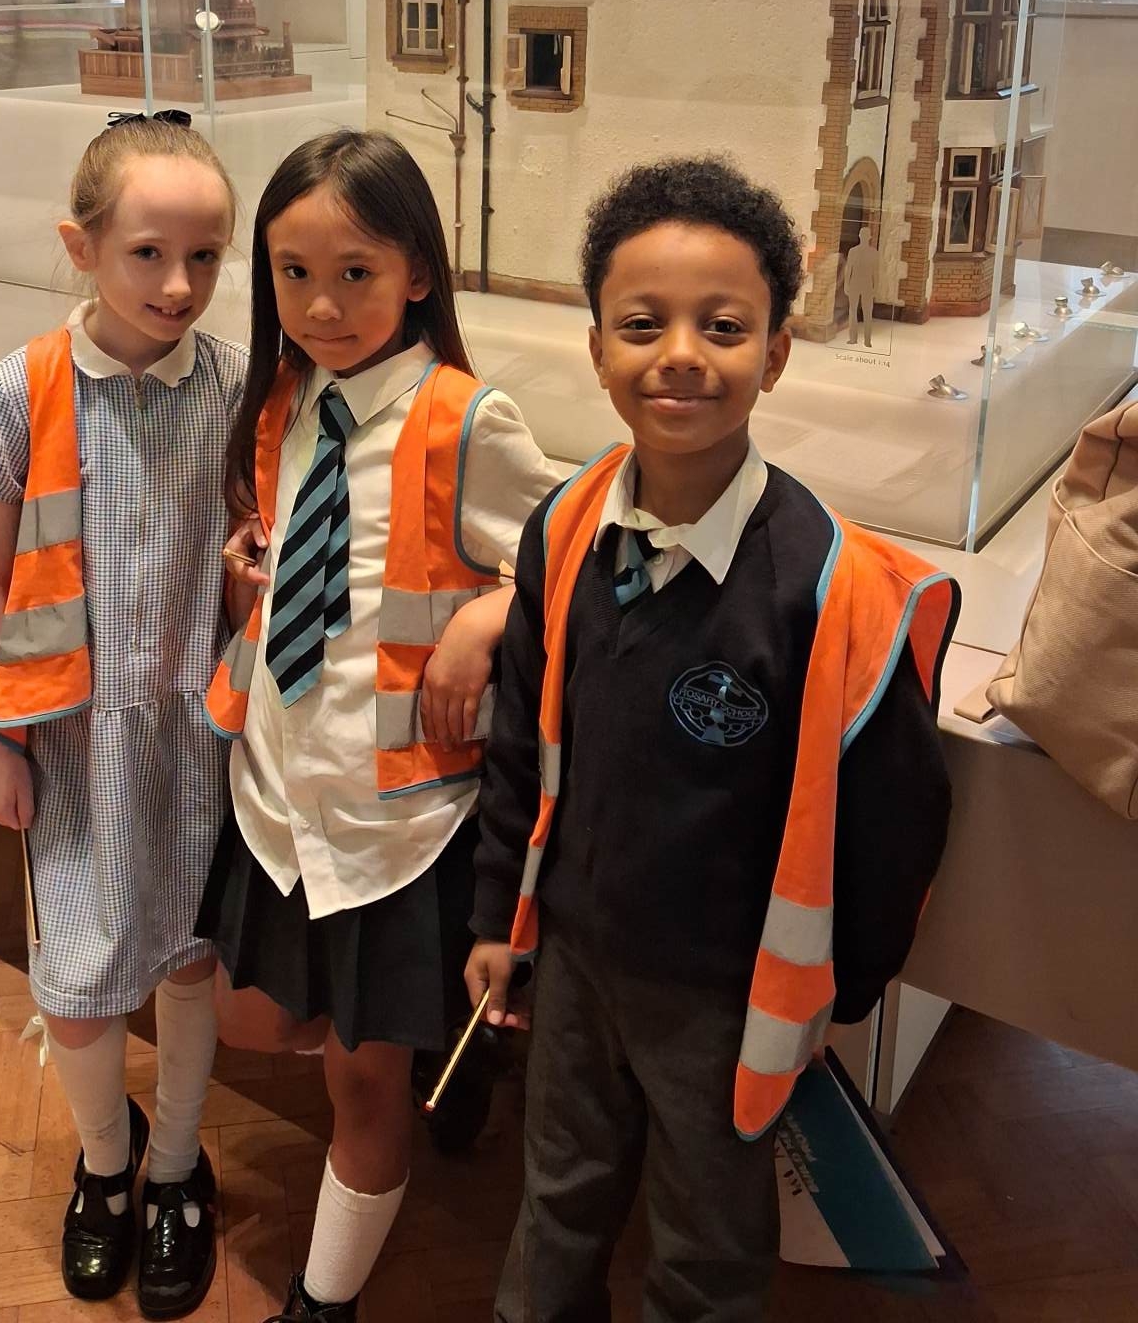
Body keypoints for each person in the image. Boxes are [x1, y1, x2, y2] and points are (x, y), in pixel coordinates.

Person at [467, 156, 957, 1322]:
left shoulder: (827, 589)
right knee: (559, 1195)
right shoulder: (565, 527)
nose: (681, 354)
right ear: (597, 348)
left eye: (723, 327)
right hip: (578, 959)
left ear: (775, 353)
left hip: (727, 994)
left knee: (709, 1242)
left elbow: (895, 820)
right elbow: (521, 739)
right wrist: (497, 919)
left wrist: (840, 989)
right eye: (643, 324)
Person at [199, 129, 556, 1323]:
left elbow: (567, 561)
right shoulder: (285, 402)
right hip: (281, 791)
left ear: (417, 273)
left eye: (355, 272)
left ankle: (326, 1300)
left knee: (363, 1085)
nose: (322, 305)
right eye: (294, 274)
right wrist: (254, 574)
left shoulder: (465, 420)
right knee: (253, 1014)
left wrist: (489, 615)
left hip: (398, 817)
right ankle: (449, 1040)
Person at [0, 112, 244, 1318]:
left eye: (205, 256)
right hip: (71, 734)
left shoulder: (235, 387)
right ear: (82, 247)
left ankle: (176, 1163)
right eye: (147, 253)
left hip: (200, 734)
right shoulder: (21, 391)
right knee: (75, 978)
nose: (178, 285)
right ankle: (106, 1165)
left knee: (189, 957)